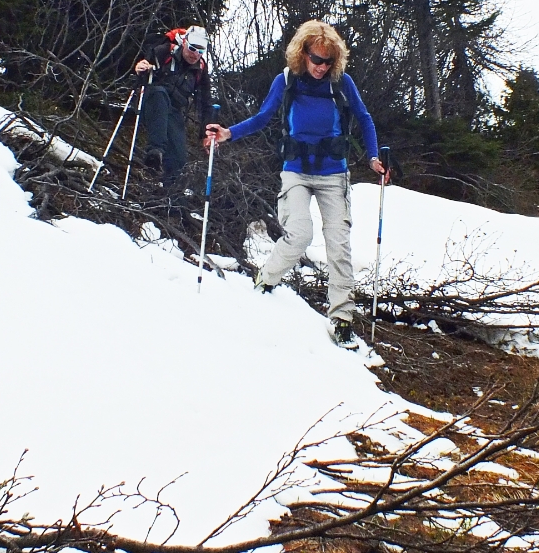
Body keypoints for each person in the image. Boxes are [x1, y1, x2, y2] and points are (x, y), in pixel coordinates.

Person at [204, 20, 383, 346]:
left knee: (338, 245)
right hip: (296, 170)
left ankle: (342, 319)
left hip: (333, 173)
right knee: (299, 232)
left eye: (328, 61)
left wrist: (373, 158)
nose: (321, 67)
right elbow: (262, 117)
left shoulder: (341, 83)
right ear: (304, 54)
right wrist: (229, 133)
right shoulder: (286, 81)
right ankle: (266, 278)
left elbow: (364, 117)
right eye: (317, 59)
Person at [134, 25, 212, 186]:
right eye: (192, 48)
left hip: (174, 110)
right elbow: (143, 66)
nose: (195, 54)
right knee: (160, 93)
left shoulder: (200, 69)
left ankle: (171, 199)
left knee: (179, 158)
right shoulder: (164, 51)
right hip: (152, 102)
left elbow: (206, 102)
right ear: (184, 42)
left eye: (201, 51)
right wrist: (140, 67)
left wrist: (206, 133)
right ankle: (155, 151)